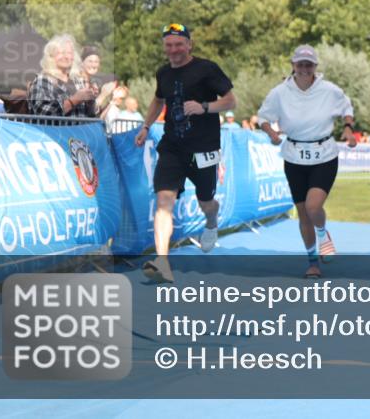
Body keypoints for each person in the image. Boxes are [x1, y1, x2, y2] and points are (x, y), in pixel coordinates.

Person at [134, 23, 236, 283]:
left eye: (179, 44)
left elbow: (230, 101)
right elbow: (158, 99)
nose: (174, 49)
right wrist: (146, 126)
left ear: (189, 45)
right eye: (169, 45)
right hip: (172, 147)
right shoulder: (163, 73)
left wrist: (204, 107)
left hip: (204, 148)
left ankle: (211, 222)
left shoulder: (207, 68)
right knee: (164, 200)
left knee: (206, 202)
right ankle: (162, 262)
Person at [257, 45, 357, 279]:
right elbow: (263, 117)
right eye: (300, 64)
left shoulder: (329, 90)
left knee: (313, 207)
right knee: (303, 214)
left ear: (315, 66)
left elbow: (347, 107)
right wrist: (271, 133)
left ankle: (323, 234)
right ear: (293, 65)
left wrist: (348, 128)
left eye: (308, 64)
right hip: (294, 156)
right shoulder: (280, 92)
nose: (304, 68)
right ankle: (313, 263)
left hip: (324, 154)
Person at [27, 34, 97, 117]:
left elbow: (90, 115)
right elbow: (44, 114)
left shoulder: (78, 81)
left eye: (69, 53)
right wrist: (75, 100)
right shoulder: (42, 81)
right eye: (61, 52)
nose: (66, 56)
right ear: (51, 56)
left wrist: (90, 102)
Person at [80, 46, 118, 119]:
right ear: (82, 62)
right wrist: (103, 95)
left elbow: (98, 117)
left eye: (96, 62)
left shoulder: (95, 84)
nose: (93, 65)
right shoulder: (77, 81)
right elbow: (86, 112)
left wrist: (111, 101)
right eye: (90, 61)